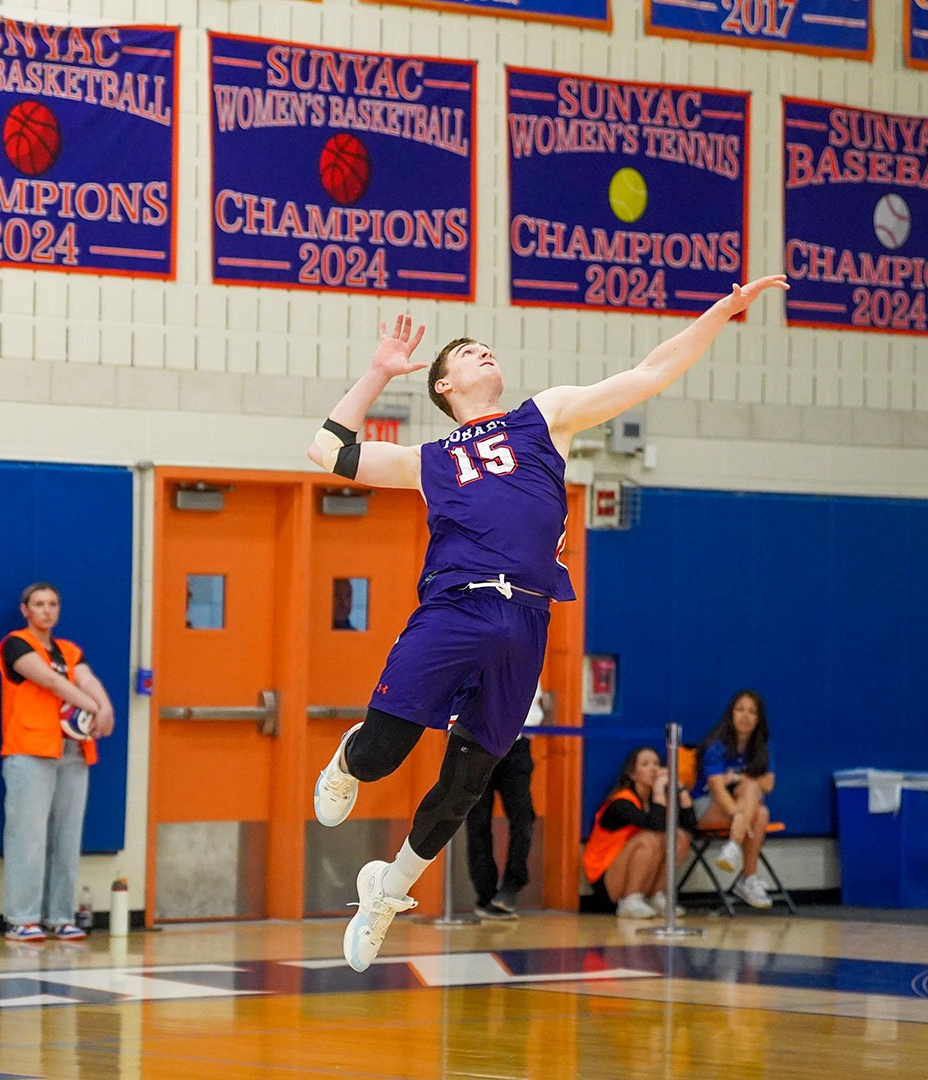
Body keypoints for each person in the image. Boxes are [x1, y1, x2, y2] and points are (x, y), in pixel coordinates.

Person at [306, 274, 789, 971]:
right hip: (454, 607)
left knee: (467, 782)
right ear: (445, 385)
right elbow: (327, 451)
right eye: (468, 352)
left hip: (526, 617)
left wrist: (717, 313)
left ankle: (387, 890)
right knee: (384, 757)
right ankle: (349, 758)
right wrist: (377, 373)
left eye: (485, 346)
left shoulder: (546, 416)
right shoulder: (429, 461)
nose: (484, 353)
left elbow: (651, 372)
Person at [0, 582, 116, 944]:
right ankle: (22, 918)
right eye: (39, 604)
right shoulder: (16, 644)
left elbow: (86, 678)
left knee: (67, 836)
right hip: (30, 751)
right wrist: (93, 707)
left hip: (73, 752)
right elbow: (49, 681)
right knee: (27, 837)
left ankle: (61, 916)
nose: (46, 610)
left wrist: (105, 706)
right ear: (25, 610)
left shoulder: (68, 650)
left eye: (52, 604)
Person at [584, 745, 697, 919]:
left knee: (680, 837)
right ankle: (630, 900)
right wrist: (659, 790)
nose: (653, 768)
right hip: (607, 878)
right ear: (633, 774)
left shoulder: (656, 802)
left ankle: (657, 897)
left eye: (656, 764)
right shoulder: (621, 802)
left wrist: (680, 789)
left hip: (640, 876)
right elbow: (654, 825)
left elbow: (690, 825)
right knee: (649, 838)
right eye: (645, 764)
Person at [692, 689, 777, 910]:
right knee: (756, 806)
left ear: (759, 719)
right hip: (706, 806)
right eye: (740, 710)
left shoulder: (762, 746)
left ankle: (744, 871)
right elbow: (718, 789)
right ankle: (745, 874)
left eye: (752, 711)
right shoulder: (717, 745)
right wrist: (738, 815)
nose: (745, 716)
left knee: (760, 809)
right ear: (731, 714)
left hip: (739, 810)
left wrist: (739, 777)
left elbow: (768, 784)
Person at [465, 693, 546, 921]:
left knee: (523, 816)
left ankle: (512, 884)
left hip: (515, 745)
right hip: (476, 743)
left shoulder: (525, 658)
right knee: (478, 821)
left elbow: (534, 702)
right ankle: (485, 895)